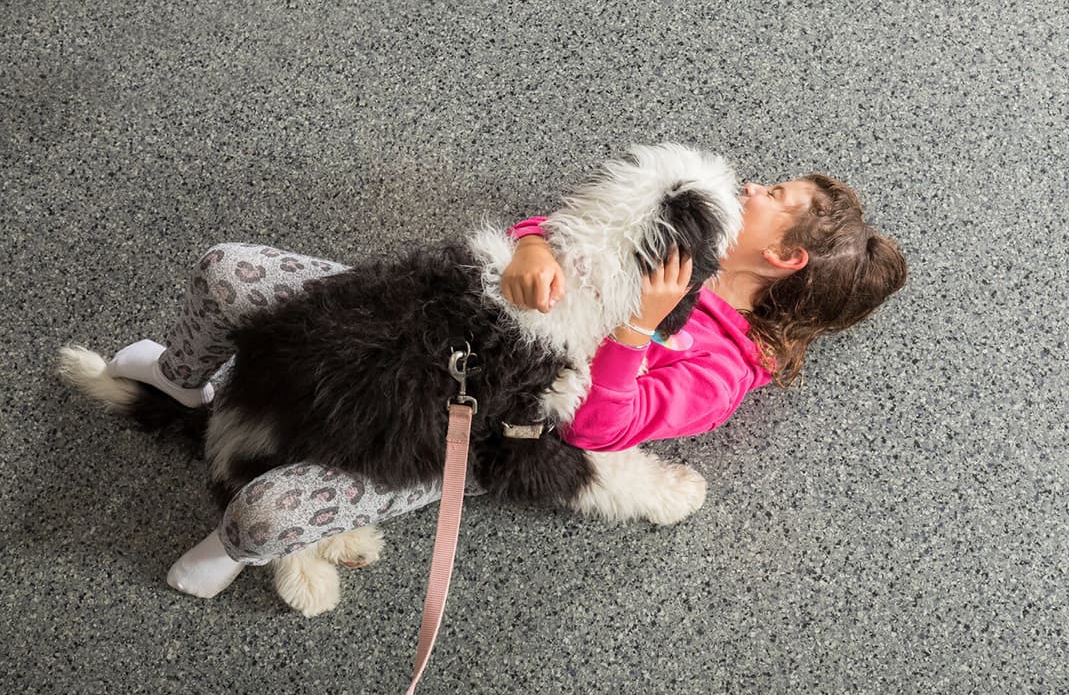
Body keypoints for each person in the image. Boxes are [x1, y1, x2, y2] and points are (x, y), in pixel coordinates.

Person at [104, 174, 907, 599]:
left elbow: (597, 433)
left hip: (464, 420)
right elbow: (575, 231)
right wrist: (530, 248)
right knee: (228, 268)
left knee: (265, 513)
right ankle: (179, 383)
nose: (757, 188)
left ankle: (235, 552)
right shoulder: (684, 223)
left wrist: (637, 331)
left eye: (779, 200)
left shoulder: (718, 373)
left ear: (784, 258)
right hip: (433, 312)